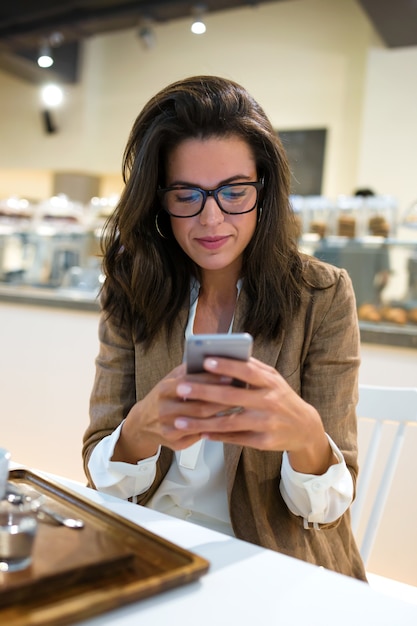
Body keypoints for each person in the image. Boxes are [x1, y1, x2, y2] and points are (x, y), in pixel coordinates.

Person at [82, 75, 366, 581]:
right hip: (154, 549)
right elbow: (103, 474)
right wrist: (140, 430)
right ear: (158, 200)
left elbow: (324, 512)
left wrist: (304, 436)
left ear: (264, 190)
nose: (211, 219)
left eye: (234, 192)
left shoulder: (321, 297)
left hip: (271, 565)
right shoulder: (133, 289)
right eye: (186, 194)